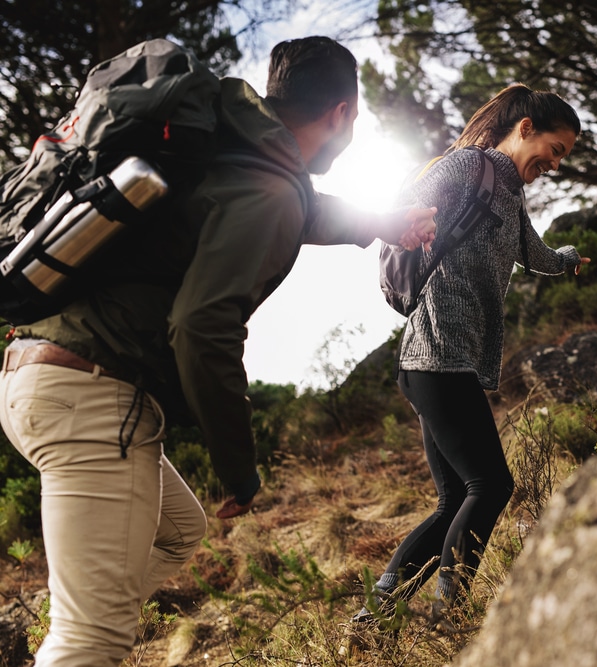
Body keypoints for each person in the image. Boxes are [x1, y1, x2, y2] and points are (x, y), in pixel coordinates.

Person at [0, 36, 435, 667]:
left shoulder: (228, 145)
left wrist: (383, 222)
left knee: (180, 531)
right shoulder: (268, 182)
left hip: (40, 376)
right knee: (93, 642)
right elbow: (203, 327)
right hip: (96, 397)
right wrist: (240, 468)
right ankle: (79, 633)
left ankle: (79, 614)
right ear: (342, 113)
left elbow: (295, 210)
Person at [355, 83, 589, 625]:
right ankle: (447, 617)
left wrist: (570, 258)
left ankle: (373, 617)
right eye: (554, 150)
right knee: (492, 485)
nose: (555, 164)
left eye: (563, 158)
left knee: (456, 497)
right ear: (525, 129)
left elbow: (531, 251)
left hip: (444, 360)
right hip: (437, 352)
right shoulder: (466, 167)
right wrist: (412, 230)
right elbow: (401, 211)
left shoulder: (509, 190)